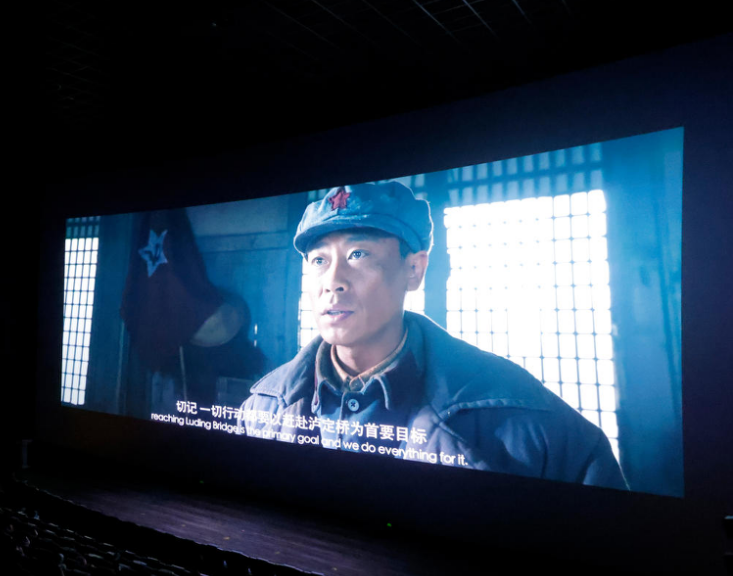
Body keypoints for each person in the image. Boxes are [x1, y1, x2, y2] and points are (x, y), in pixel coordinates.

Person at [237, 180, 627, 489]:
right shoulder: (264, 407)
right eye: (319, 260)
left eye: (358, 255)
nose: (332, 282)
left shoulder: (523, 417)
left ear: (414, 270)